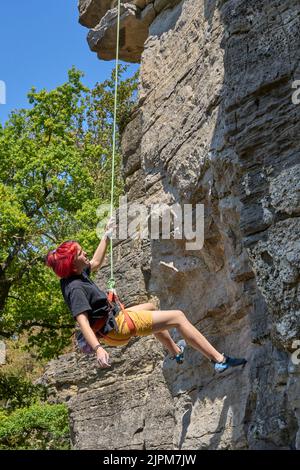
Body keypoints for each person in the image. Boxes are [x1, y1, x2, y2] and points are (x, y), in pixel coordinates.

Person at [45, 224, 247, 373]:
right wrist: (98, 350)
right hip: (118, 328)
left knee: (150, 307)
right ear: (72, 263)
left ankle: (176, 351)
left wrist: (106, 236)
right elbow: (83, 323)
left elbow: (96, 262)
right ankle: (218, 359)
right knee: (178, 317)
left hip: (114, 321)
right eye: (81, 253)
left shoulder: (77, 273)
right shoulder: (75, 288)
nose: (85, 252)